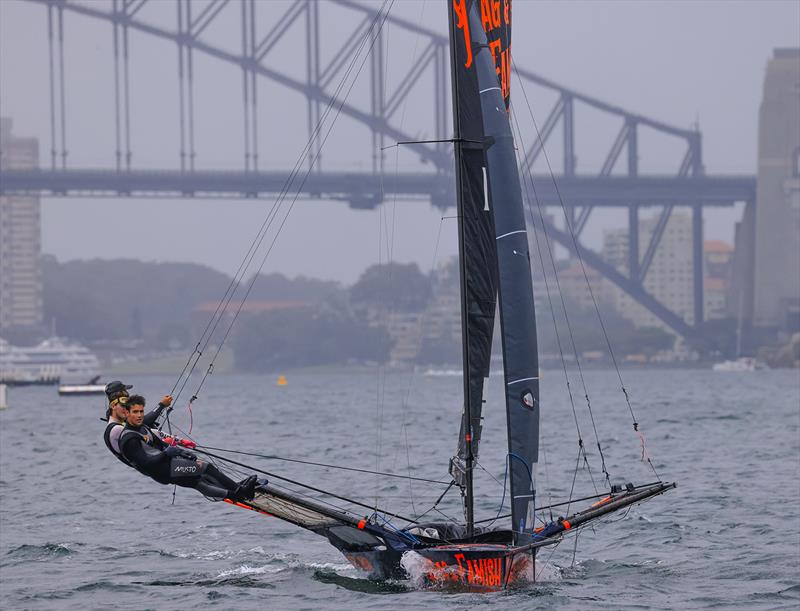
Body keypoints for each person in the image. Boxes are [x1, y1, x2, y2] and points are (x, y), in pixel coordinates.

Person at [118, 395, 258, 501]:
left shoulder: (142, 427)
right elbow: (146, 464)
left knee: (197, 482)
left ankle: (235, 495)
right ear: (127, 413)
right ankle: (240, 491)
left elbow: (161, 445)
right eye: (135, 412)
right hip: (163, 470)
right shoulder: (129, 439)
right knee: (204, 467)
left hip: (166, 465)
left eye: (141, 411)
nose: (140, 415)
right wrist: (167, 454)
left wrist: (181, 452)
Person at [102, 380, 175, 466]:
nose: (126, 410)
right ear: (113, 406)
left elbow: (142, 424)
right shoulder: (117, 429)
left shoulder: (119, 423)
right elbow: (143, 423)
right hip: (153, 465)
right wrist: (161, 405)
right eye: (123, 406)